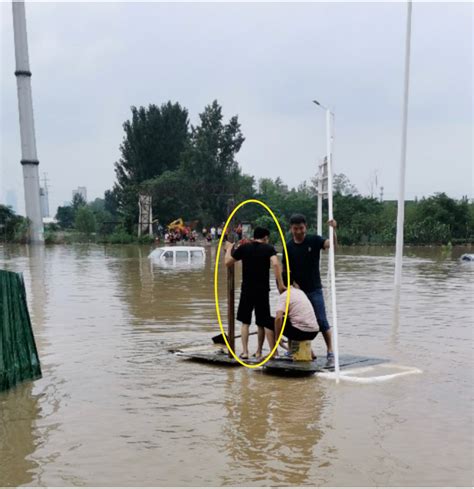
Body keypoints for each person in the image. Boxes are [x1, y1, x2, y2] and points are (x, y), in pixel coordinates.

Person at [283, 214, 337, 365]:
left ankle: (330, 350)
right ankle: (293, 350)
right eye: (295, 229)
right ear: (291, 229)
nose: (298, 231)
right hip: (297, 292)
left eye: (301, 228)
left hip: (314, 289)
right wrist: (292, 284)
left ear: (305, 227)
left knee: (321, 320)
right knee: (294, 321)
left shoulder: (314, 240)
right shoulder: (288, 246)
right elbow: (285, 269)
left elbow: (331, 245)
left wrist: (333, 230)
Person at [225, 227, 285, 360]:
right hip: (263, 290)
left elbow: (227, 262)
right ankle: (258, 352)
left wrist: (229, 249)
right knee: (261, 322)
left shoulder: (244, 248)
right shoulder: (269, 248)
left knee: (245, 322)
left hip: (247, 289)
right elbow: (275, 264)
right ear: (265, 237)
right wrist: (280, 284)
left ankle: (245, 352)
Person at [265, 284, 319, 358]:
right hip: (314, 332)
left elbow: (278, 318)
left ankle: (274, 353)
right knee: (290, 320)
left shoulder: (284, 295)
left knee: (267, 321)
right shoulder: (300, 292)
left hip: (301, 332)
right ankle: (306, 352)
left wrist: (277, 338)